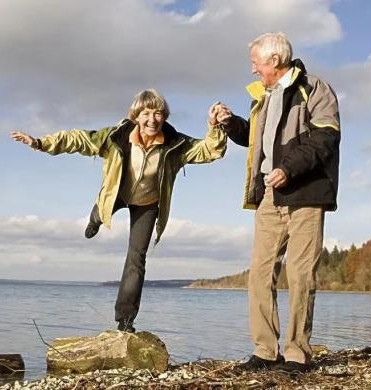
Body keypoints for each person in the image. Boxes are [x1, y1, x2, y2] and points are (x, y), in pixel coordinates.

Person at [11, 89, 229, 332]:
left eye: (158, 113)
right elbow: (78, 139)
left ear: (164, 116)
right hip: (117, 194)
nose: (152, 119)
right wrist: (40, 143)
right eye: (146, 113)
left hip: (148, 203)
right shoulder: (116, 137)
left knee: (136, 259)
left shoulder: (175, 144)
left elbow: (210, 150)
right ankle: (96, 216)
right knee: (102, 210)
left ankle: (125, 320)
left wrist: (214, 126)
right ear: (136, 115)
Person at [213, 32, 340, 373]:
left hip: (307, 192)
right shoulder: (265, 96)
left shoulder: (315, 88)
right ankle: (265, 351)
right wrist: (230, 124)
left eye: (255, 62)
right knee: (260, 272)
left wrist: (289, 168)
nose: (253, 69)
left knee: (300, 274)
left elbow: (326, 138)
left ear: (273, 60)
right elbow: (257, 142)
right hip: (270, 193)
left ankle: (297, 354)